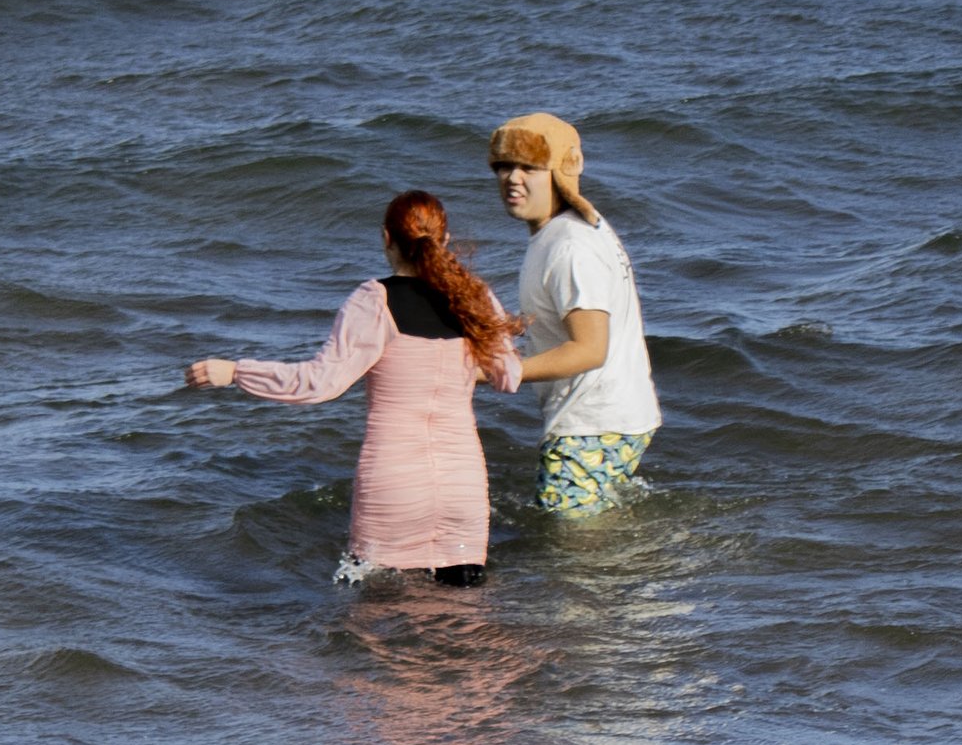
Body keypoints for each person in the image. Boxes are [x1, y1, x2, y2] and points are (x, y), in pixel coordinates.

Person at [186, 191, 521, 582]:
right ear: (444, 240)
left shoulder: (374, 300)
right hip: (462, 485)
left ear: (386, 239)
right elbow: (508, 376)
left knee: (375, 621)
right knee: (464, 620)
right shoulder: (475, 298)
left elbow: (320, 383)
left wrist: (236, 371)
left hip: (394, 483)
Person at [487, 112, 659, 515]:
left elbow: (589, 349)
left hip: (592, 424)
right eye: (504, 166)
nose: (513, 178)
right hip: (614, 416)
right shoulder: (564, 232)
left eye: (529, 167)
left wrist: (493, 371)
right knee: (588, 534)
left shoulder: (569, 248)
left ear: (560, 173)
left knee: (570, 554)